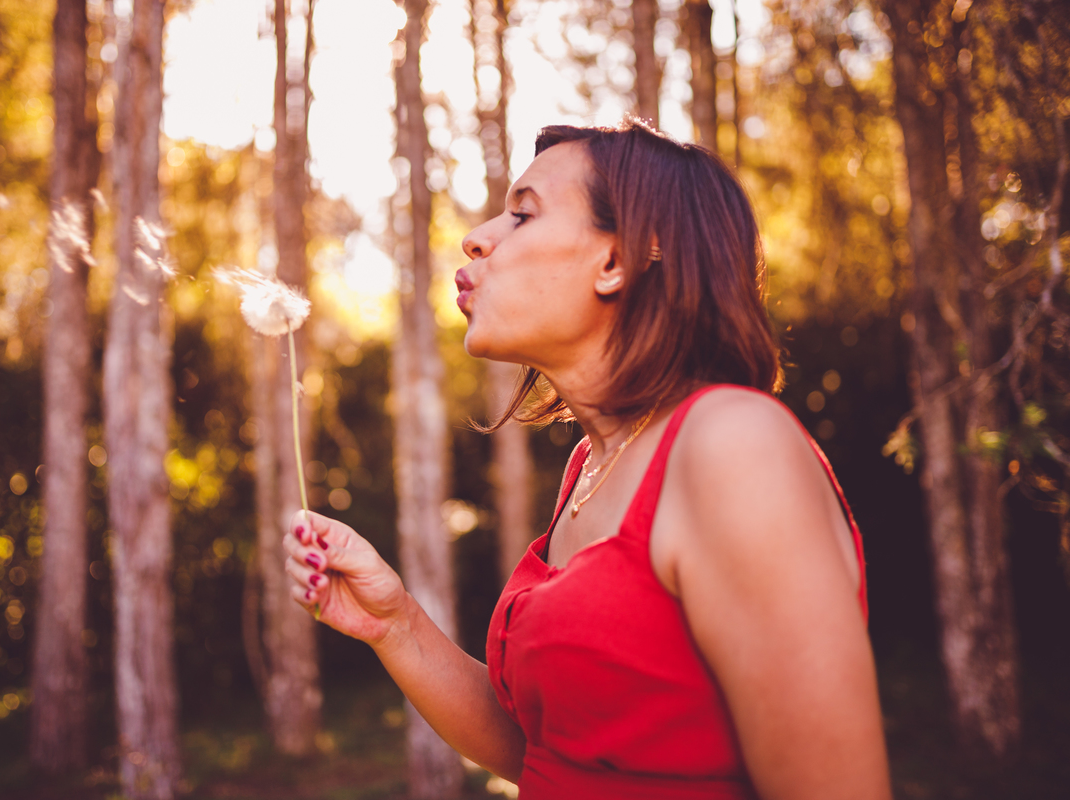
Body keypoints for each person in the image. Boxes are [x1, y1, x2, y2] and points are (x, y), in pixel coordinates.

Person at [283, 119, 892, 799]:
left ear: (619, 260)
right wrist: (392, 622)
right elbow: (553, 754)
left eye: (521, 214)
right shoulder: (590, 466)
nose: (477, 236)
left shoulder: (731, 444)